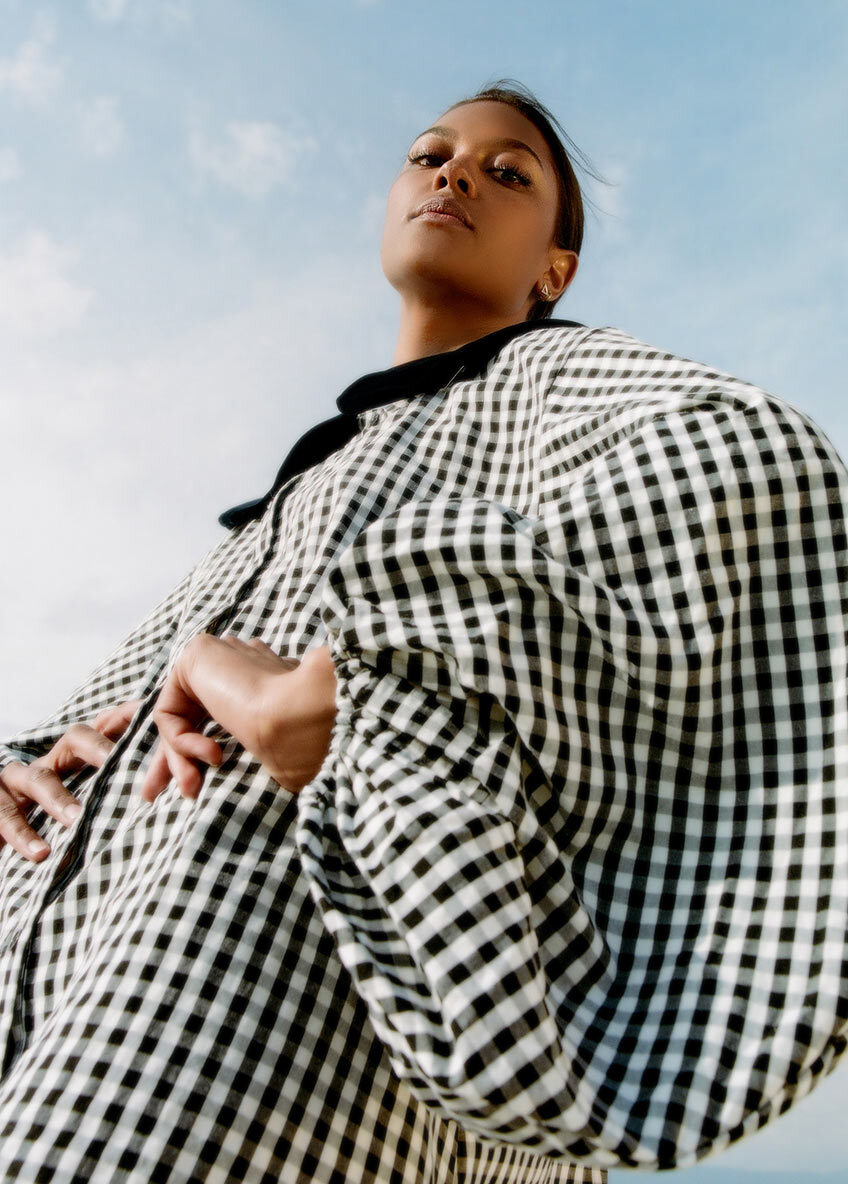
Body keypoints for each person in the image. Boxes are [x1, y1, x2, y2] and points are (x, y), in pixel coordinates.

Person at [0, 82, 845, 1183]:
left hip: (260, 987)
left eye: (507, 172)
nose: (454, 173)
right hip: (70, 967)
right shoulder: (293, 489)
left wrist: (328, 696)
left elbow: (752, 467)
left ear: (554, 271)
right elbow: (127, 695)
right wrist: (24, 762)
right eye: (428, 153)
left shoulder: (551, 379)